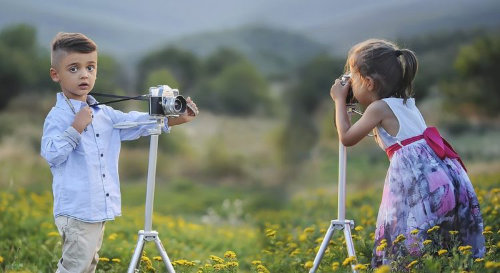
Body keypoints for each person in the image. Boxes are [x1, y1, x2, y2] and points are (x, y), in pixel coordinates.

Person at [40, 32, 198, 273]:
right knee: (75, 266)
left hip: (97, 208)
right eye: (74, 69)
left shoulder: (104, 114)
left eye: (90, 67)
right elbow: (51, 154)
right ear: (55, 74)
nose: (84, 74)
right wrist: (76, 127)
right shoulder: (59, 116)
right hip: (77, 209)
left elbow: (135, 123)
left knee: (89, 264)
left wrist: (176, 119)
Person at [329, 39, 485, 267]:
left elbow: (347, 137)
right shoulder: (406, 103)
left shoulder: (378, 108)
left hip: (417, 185)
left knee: (405, 236)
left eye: (353, 77)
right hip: (446, 178)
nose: (349, 83)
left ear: (369, 83)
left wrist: (339, 100)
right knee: (440, 242)